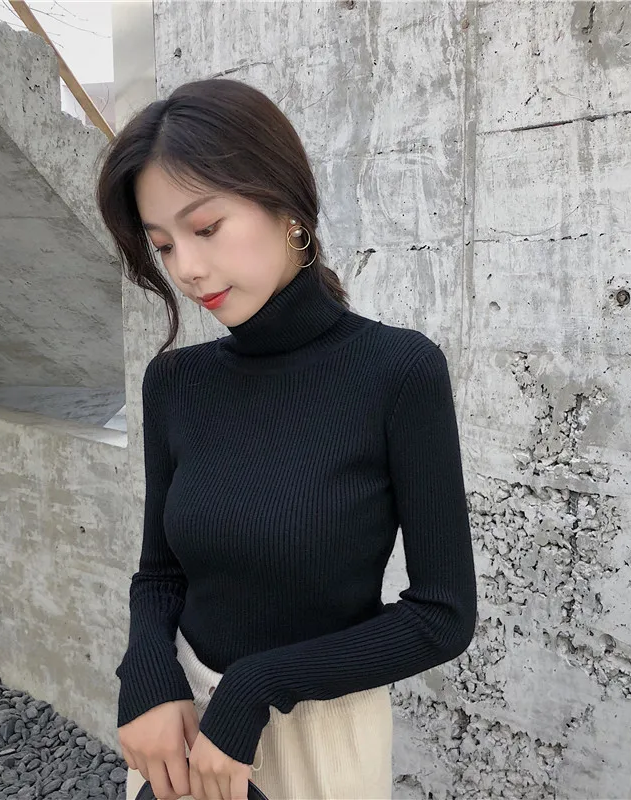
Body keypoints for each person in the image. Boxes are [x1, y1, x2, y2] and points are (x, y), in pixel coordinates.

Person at [95, 78, 477, 800]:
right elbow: (161, 573)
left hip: (319, 740)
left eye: (207, 228)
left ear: (288, 209)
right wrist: (145, 671)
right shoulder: (176, 381)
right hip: (183, 734)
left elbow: (443, 616)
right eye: (164, 245)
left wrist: (257, 686)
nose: (187, 270)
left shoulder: (397, 372)